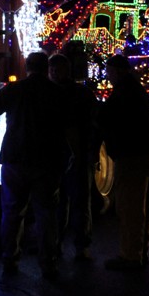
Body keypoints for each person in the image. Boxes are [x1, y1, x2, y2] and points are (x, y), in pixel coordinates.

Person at [0, 51, 71, 279]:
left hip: (15, 159)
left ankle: (10, 259)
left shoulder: (15, 89)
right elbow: (66, 127)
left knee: (12, 212)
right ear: (46, 68)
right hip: (46, 161)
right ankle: (48, 263)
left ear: (27, 66)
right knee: (46, 214)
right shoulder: (58, 93)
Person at [97, 53, 149, 271]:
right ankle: (138, 252)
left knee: (130, 206)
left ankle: (131, 256)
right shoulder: (135, 90)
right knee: (138, 204)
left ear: (116, 71)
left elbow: (108, 117)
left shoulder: (124, 93)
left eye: (109, 71)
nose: (108, 76)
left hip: (131, 154)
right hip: (141, 151)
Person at [48, 52, 101, 261]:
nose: (53, 73)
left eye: (57, 69)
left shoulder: (78, 94)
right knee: (68, 204)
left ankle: (75, 245)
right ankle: (68, 244)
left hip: (74, 156)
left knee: (76, 203)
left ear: (66, 70)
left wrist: (91, 151)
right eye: (51, 69)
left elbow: (94, 126)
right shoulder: (80, 93)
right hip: (61, 157)